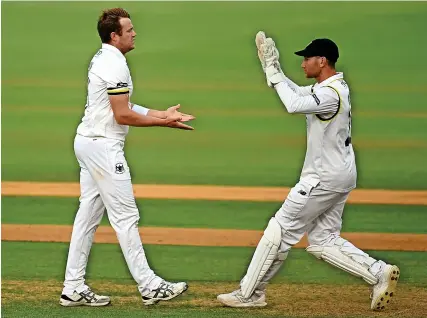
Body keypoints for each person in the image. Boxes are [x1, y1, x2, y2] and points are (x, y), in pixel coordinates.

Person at [217, 32, 400, 311]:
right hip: (340, 174)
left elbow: (293, 104)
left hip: (322, 178)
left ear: (322, 61)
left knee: (279, 229)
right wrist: (272, 69)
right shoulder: (334, 87)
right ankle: (378, 272)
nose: (303, 64)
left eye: (307, 59)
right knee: (322, 241)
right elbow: (299, 94)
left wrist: (274, 73)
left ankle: (250, 293)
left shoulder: (328, 94)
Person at [60, 8, 194, 307]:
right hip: (103, 148)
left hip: (89, 143)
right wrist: (165, 123)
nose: (134, 33)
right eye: (129, 29)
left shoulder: (107, 58)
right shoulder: (114, 64)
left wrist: (162, 113)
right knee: (126, 217)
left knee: (88, 217)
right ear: (114, 35)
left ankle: (73, 287)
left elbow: (124, 104)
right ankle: (149, 286)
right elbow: (122, 115)